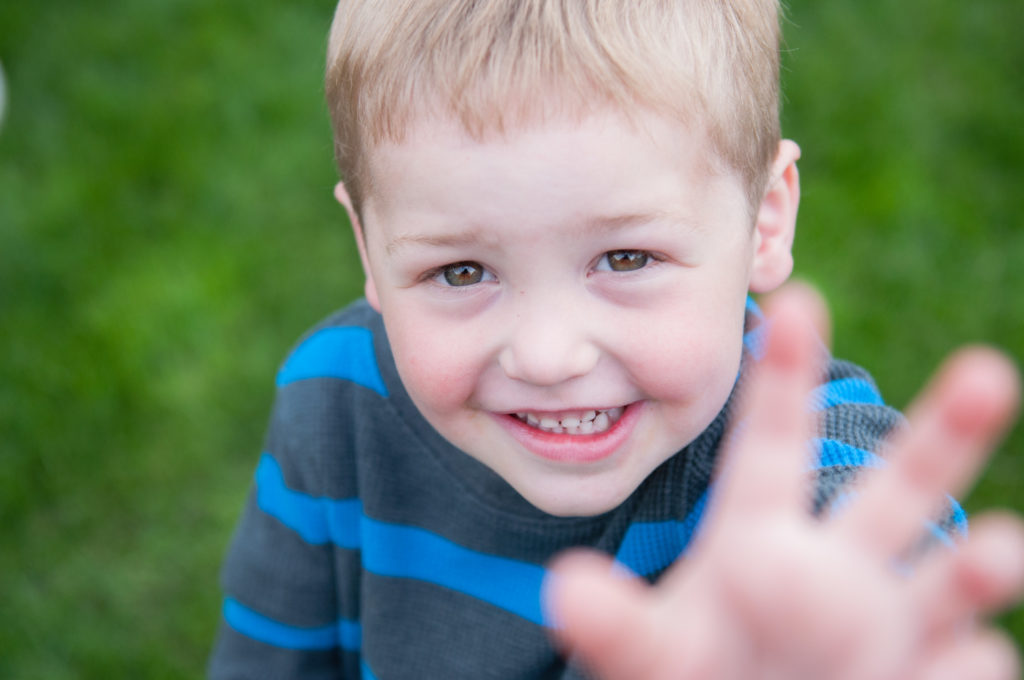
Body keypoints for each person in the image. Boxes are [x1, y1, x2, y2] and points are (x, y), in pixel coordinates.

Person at [209, 1, 1024, 678]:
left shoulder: (797, 460)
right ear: (368, 249)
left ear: (766, 216)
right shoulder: (332, 402)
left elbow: (861, 547)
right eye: (461, 272)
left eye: (626, 258)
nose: (547, 356)